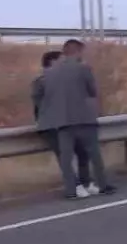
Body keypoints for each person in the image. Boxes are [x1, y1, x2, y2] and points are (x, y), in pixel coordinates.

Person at [36, 39, 114, 199]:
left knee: (65, 158)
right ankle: (102, 185)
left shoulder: (49, 74)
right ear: (77, 52)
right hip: (84, 119)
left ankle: (71, 190)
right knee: (93, 154)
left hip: (62, 121)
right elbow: (92, 91)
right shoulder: (83, 68)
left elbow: (47, 97)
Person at [33, 50, 96, 195]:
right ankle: (75, 186)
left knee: (82, 151)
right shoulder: (41, 81)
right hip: (52, 125)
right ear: (53, 62)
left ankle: (86, 183)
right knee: (64, 156)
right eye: (62, 61)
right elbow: (40, 105)